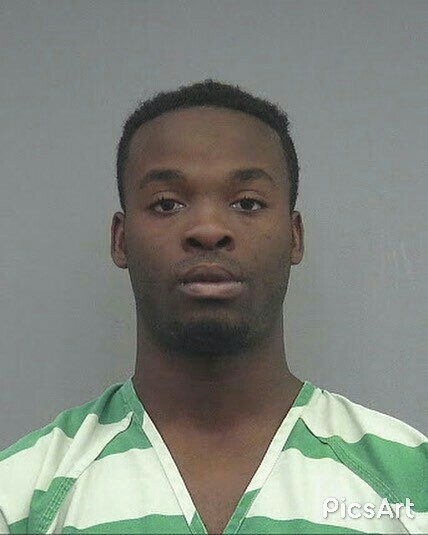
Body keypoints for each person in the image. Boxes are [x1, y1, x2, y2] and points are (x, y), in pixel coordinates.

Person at [0, 80, 426, 535]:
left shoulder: (410, 485)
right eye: (167, 204)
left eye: (247, 203)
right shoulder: (20, 495)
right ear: (121, 240)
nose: (208, 229)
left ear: (294, 236)